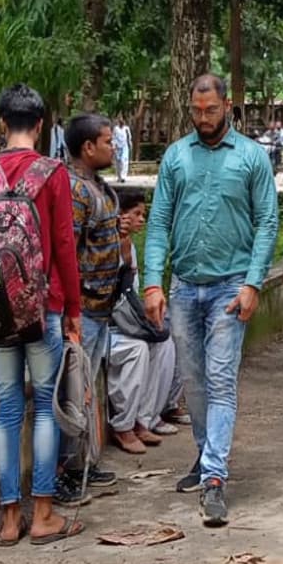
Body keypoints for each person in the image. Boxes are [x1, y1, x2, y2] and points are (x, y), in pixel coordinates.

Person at [143, 74, 279, 527]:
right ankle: (206, 457)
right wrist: (153, 283)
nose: (203, 119)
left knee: (220, 380)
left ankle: (214, 477)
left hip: (230, 287)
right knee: (194, 382)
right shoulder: (176, 157)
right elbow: (158, 222)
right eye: (197, 111)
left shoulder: (252, 157)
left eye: (211, 111)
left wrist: (254, 283)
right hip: (184, 286)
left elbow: (267, 223)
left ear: (228, 106)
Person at [0, 83, 84, 546]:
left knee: (8, 407)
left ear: (1, 124)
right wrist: (72, 309)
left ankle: (10, 519)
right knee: (46, 405)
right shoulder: (51, 174)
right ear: (40, 125)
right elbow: (64, 246)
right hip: (41, 307)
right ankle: (44, 514)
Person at [60, 113, 122, 500]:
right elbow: (68, 251)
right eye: (107, 142)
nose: (113, 148)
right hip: (83, 308)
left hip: (102, 306)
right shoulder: (75, 191)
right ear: (88, 147)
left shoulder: (98, 187)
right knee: (74, 391)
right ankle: (67, 471)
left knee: (87, 388)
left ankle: (84, 462)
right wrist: (72, 310)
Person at [106, 190, 179, 452]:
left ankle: (145, 418)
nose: (141, 220)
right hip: (104, 325)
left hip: (123, 321)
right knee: (138, 350)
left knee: (164, 343)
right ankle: (123, 425)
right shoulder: (103, 242)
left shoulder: (130, 247)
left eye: (143, 214)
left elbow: (130, 294)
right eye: (136, 214)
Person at [112, 116, 132, 182]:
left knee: (124, 161)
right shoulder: (116, 129)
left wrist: (130, 144)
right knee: (118, 162)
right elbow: (114, 137)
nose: (121, 122)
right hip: (117, 147)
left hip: (124, 147)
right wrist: (113, 145)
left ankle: (123, 177)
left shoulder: (126, 128)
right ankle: (119, 176)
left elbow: (129, 137)